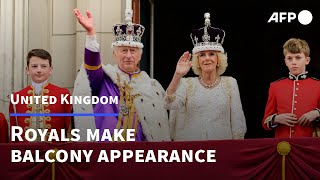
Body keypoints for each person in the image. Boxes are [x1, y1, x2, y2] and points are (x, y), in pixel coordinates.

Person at [72, 8, 170, 142]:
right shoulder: (104, 78)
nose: (128, 55)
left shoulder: (152, 87)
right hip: (106, 153)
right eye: (124, 50)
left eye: (133, 51)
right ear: (115, 53)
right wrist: (91, 34)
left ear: (140, 55)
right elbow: (92, 66)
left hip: (139, 154)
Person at [165, 13, 247, 141]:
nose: (207, 58)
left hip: (222, 149)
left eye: (211, 54)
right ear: (197, 60)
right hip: (191, 151)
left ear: (218, 59)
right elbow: (169, 104)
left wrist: (236, 150)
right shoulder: (186, 84)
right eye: (202, 55)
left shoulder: (230, 83)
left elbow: (238, 121)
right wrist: (177, 75)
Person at [9, 49, 72, 142]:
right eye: (34, 66)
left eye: (43, 66)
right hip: (26, 154)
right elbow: (13, 133)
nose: (39, 70)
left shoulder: (63, 94)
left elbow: (69, 129)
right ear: (27, 70)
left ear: (50, 70)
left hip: (55, 152)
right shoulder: (16, 97)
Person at [262, 38, 320, 138]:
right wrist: (276, 118)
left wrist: (317, 113)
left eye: (298, 58)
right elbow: (265, 123)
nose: (293, 62)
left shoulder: (318, 85)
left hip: (311, 146)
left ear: (307, 60)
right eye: (290, 58)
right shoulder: (275, 86)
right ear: (285, 61)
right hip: (282, 145)